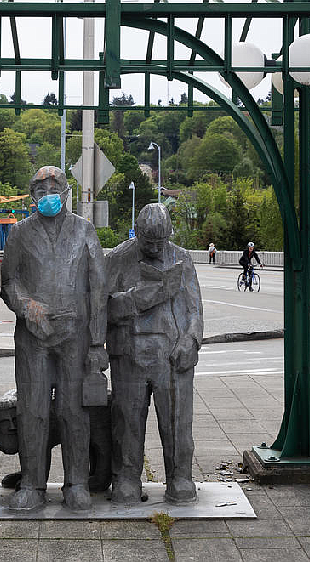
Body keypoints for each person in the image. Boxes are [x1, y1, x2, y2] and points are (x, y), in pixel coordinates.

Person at [0, 166, 108, 512]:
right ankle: (32, 483)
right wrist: (29, 308)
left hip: (74, 336)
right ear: (32, 196)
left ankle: (76, 482)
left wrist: (96, 343)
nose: (48, 194)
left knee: (72, 411)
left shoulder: (84, 231)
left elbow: (97, 289)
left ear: (65, 192)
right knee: (32, 411)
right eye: (41, 189)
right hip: (33, 336)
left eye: (54, 187)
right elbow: (9, 283)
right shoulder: (19, 233)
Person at [105, 203, 203, 504]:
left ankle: (180, 476)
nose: (156, 248)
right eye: (149, 242)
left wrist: (191, 340)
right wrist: (137, 299)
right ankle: (126, 477)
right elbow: (102, 307)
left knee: (176, 421)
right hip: (130, 354)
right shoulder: (118, 258)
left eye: (161, 242)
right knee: (127, 421)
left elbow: (194, 308)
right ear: (138, 234)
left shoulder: (182, 259)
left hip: (171, 355)